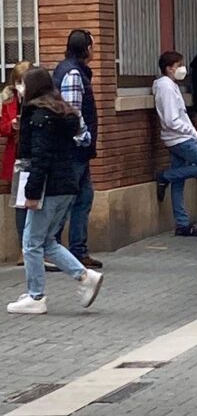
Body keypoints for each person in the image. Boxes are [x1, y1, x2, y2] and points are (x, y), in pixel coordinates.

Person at [7, 68, 103, 315]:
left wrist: (31, 192)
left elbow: (40, 158)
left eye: (23, 84)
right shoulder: (62, 113)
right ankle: (84, 276)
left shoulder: (40, 117)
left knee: (31, 243)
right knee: (47, 240)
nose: (19, 89)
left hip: (47, 188)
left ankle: (36, 295)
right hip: (65, 185)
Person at [52, 30, 101, 269]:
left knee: (83, 198)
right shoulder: (73, 73)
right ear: (86, 49)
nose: (94, 50)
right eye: (92, 46)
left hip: (77, 150)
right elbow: (73, 112)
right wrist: (85, 138)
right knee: (66, 200)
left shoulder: (73, 70)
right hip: (73, 150)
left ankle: (78, 251)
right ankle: (54, 250)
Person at [153, 52, 197, 237]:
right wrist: (192, 132)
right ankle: (165, 176)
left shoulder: (170, 85)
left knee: (179, 181)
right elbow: (171, 119)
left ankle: (182, 223)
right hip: (180, 138)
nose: (182, 69)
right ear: (169, 68)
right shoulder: (166, 87)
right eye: (178, 65)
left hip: (178, 137)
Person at [1, 60, 32, 263]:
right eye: (19, 81)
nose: (22, 86)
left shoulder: (41, 99)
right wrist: (11, 125)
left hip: (36, 155)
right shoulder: (8, 99)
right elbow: (2, 127)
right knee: (21, 204)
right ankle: (23, 248)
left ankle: (41, 246)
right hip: (18, 156)